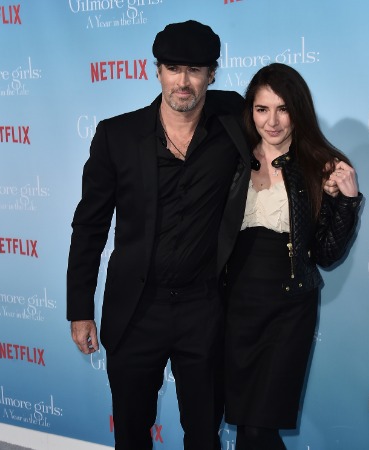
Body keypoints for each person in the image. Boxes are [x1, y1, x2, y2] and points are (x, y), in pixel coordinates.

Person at [66, 20, 252, 450]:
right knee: (131, 432)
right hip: (135, 310)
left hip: (204, 309)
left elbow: (281, 126)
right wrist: (80, 309)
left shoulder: (232, 124)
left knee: (204, 433)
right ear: (157, 71)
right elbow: (89, 226)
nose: (182, 82)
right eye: (172, 68)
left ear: (212, 74)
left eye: (194, 70)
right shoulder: (117, 136)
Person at [224, 63, 363, 450]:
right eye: (262, 108)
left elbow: (327, 253)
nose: (272, 121)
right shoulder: (232, 159)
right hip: (234, 305)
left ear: (298, 110)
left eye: (283, 109)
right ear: (250, 110)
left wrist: (347, 202)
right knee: (245, 423)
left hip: (289, 306)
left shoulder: (318, 166)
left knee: (258, 427)